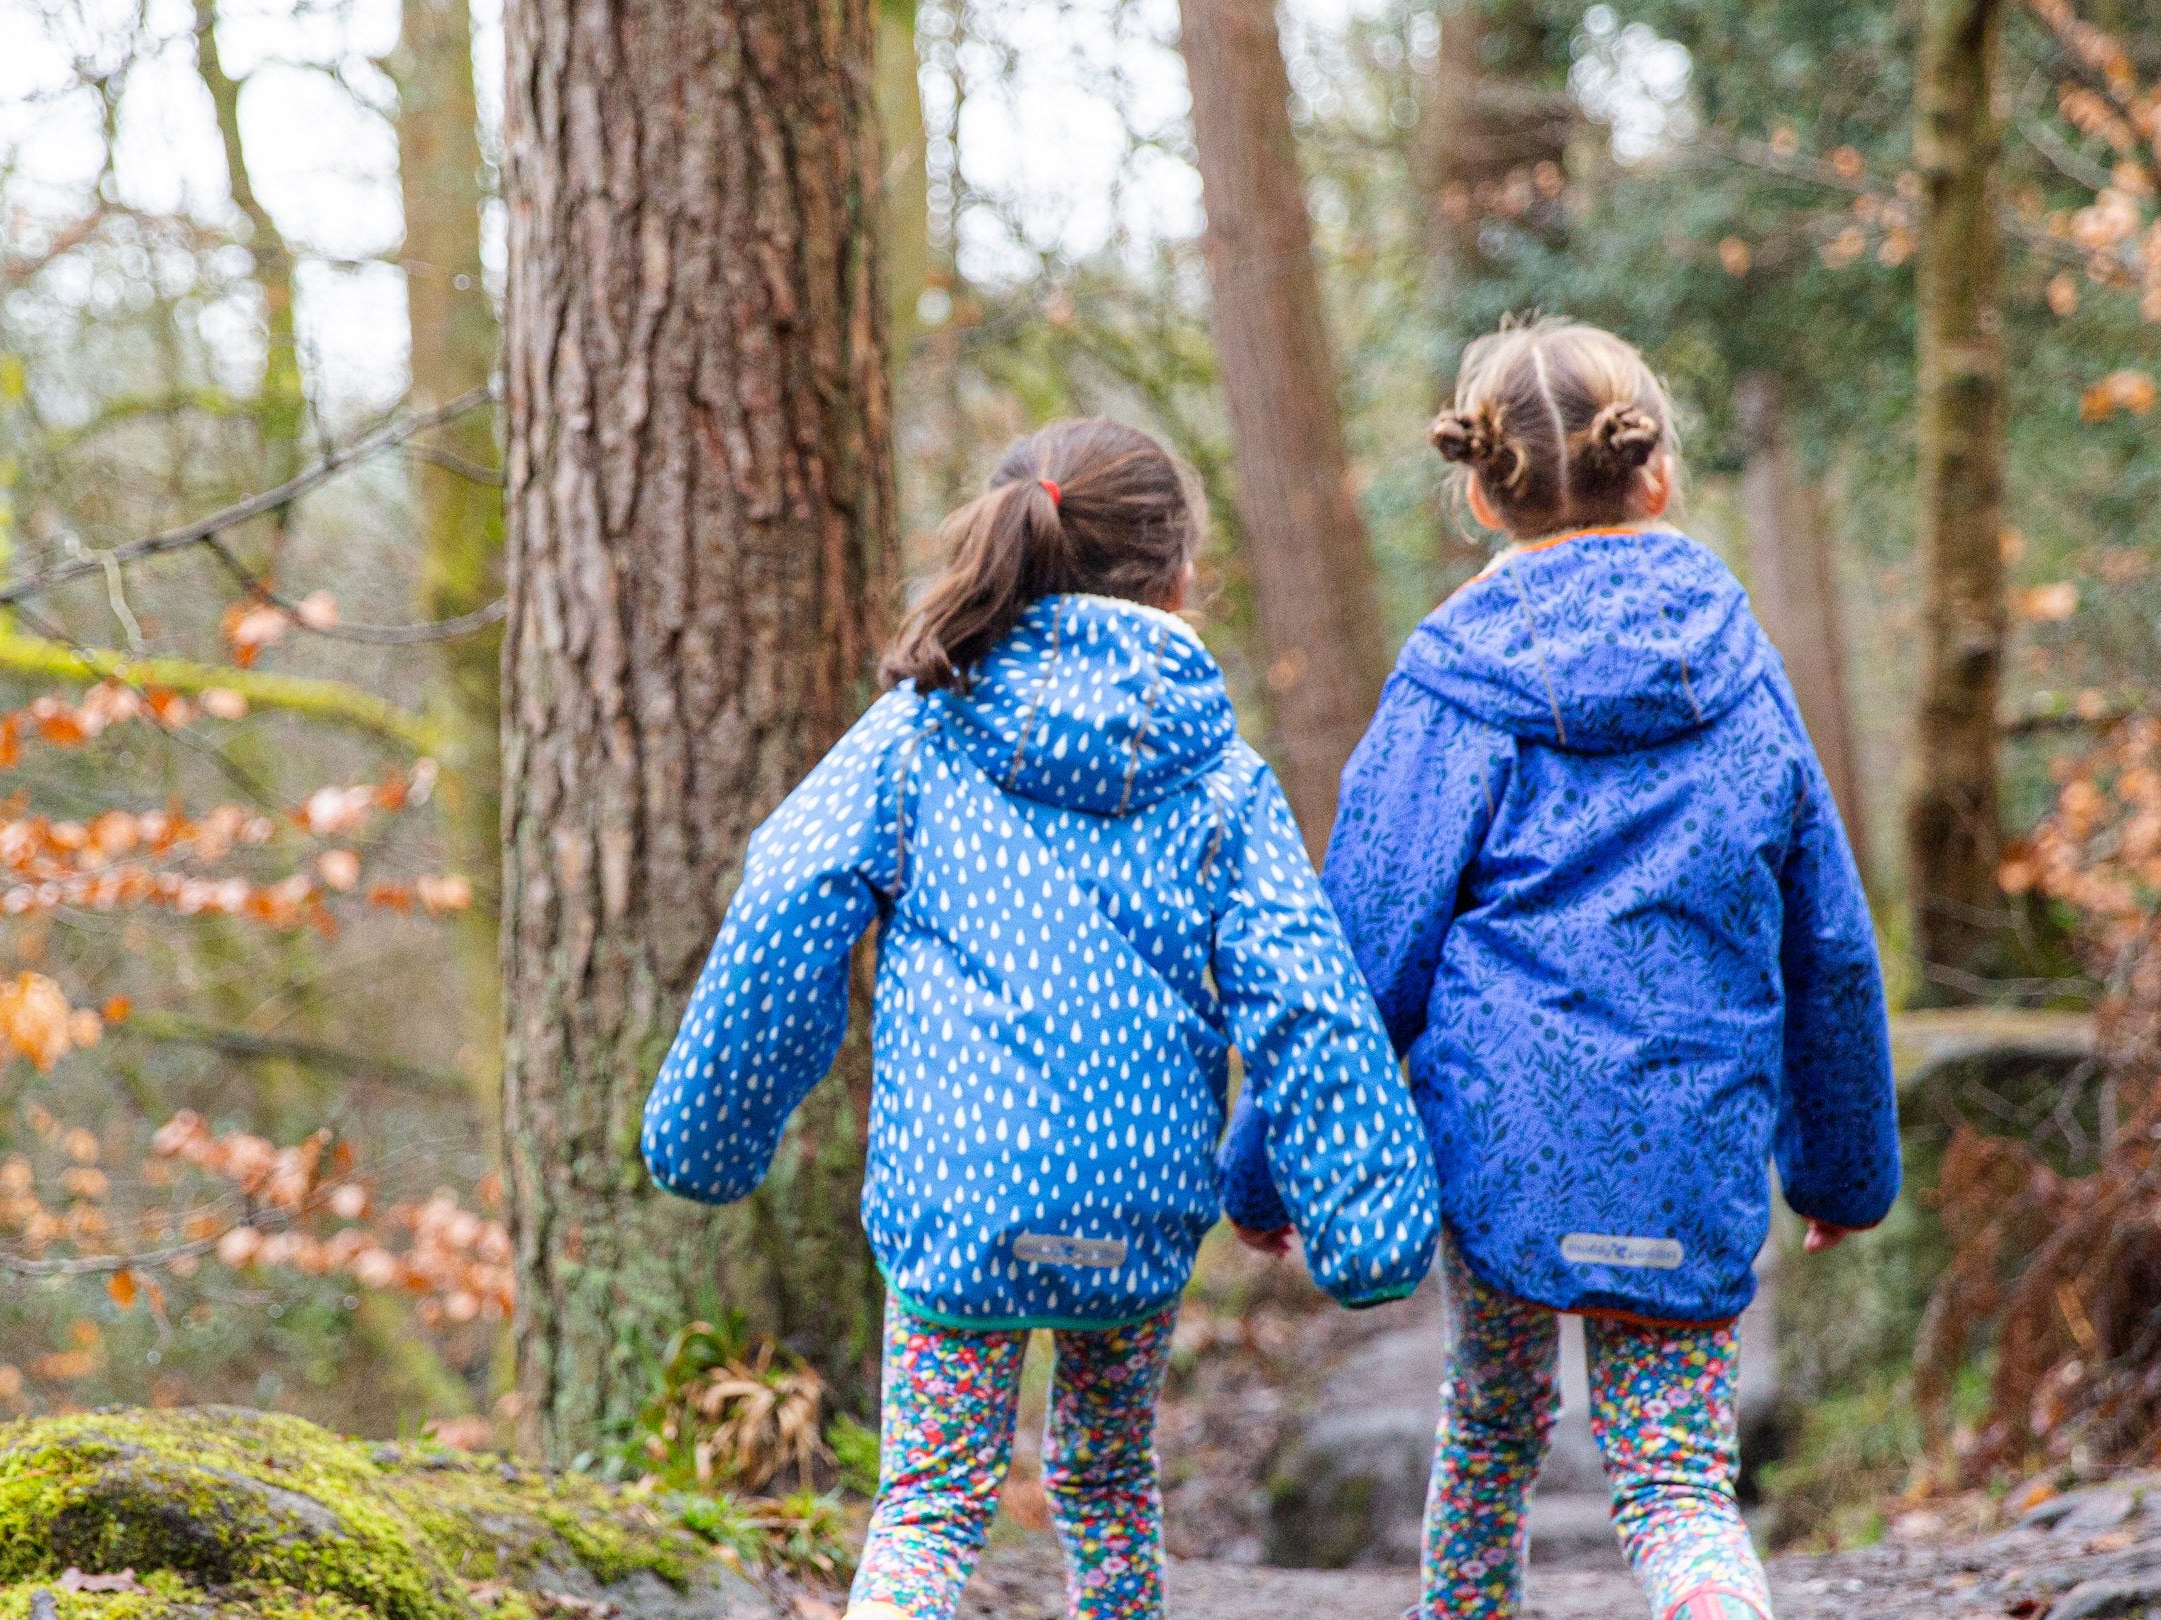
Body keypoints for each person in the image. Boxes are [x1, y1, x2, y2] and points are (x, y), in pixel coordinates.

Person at [640, 417, 1439, 1620]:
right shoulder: (1219, 776)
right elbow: (1307, 996)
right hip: (1134, 1197)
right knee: (1109, 1486)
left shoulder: (917, 736)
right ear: (1177, 576)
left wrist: (711, 1131)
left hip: (958, 1184)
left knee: (928, 1504)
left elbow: (784, 902)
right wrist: (1365, 1219)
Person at [1226, 318, 1900, 1620]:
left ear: (1482, 495)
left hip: (1506, 1136)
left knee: (1490, 1429)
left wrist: (1267, 1167)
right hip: (1688, 1131)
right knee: (1678, 1486)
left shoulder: (1452, 680)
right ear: (1656, 475)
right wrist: (1842, 1169)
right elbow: (1828, 943)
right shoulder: (1737, 669)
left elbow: (1355, 952)